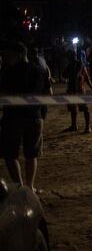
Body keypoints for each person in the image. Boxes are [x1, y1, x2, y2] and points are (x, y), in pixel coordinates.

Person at [0, 41, 51, 190]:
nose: (7, 57)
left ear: (20, 54)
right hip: (34, 115)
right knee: (31, 154)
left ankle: (20, 187)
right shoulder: (39, 70)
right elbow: (47, 93)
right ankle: (30, 187)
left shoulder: (9, 72)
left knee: (10, 154)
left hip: (13, 117)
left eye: (9, 55)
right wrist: (42, 113)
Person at [63, 51, 92, 133]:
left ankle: (86, 126)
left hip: (78, 90)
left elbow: (65, 75)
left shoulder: (77, 65)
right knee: (75, 109)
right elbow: (87, 77)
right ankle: (77, 126)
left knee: (83, 108)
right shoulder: (78, 65)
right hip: (76, 89)